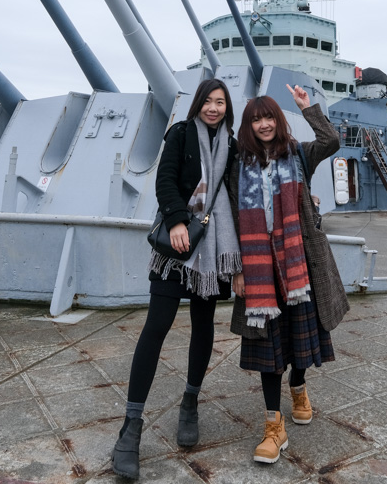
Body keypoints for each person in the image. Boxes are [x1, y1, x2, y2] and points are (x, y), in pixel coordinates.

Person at [112, 78, 241, 479]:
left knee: (203, 327)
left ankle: (190, 402)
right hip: (178, 246)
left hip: (213, 249)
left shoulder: (234, 147)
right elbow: (164, 180)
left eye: (220, 102)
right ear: (198, 104)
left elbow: (239, 196)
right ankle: (131, 427)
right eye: (208, 101)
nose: (214, 108)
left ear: (227, 108)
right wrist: (176, 219)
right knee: (156, 327)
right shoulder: (181, 134)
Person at [229, 84, 349, 465]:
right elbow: (230, 221)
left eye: (268, 117)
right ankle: (273, 427)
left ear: (278, 121)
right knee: (268, 347)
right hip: (257, 265)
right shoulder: (238, 165)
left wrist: (307, 107)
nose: (263, 124)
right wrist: (236, 269)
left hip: (299, 263)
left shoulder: (298, 153)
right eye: (255, 119)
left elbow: (331, 141)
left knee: (300, 338)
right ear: (248, 126)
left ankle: (298, 386)